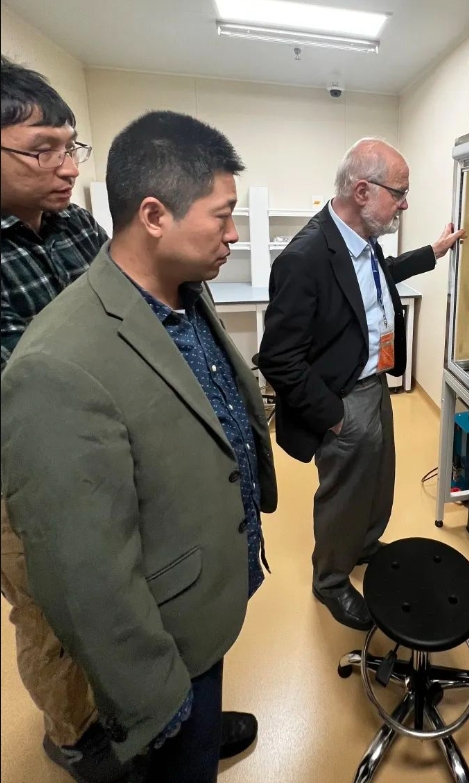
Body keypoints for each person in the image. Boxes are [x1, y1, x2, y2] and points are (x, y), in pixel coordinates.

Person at [2, 110, 278, 783]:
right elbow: (85, 574)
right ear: (154, 216)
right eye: (222, 216)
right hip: (160, 627)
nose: (233, 233)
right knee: (178, 749)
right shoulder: (55, 364)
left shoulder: (178, 286)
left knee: (200, 703)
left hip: (200, 587)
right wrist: (152, 694)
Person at [258, 138, 464, 630]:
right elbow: (278, 359)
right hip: (341, 399)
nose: (405, 204)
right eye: (400, 193)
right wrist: (333, 417)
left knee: (377, 482)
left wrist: (432, 253)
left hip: (373, 386)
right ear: (363, 191)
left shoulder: (361, 240)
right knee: (344, 496)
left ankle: (365, 544)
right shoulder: (304, 257)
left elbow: (377, 277)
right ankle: (330, 580)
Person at [0, 56, 127, 782]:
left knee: (114, 584)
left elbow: (122, 306)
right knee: (48, 612)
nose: (68, 167)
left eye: (70, 145)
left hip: (103, 449)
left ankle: (134, 709)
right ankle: (73, 735)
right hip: (22, 479)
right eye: (41, 149)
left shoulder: (75, 223)